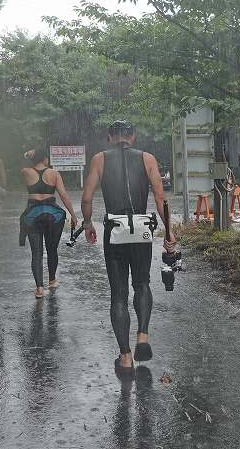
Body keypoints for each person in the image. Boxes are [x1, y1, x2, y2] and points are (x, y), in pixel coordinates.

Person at [81, 120, 176, 373]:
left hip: (115, 230)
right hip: (142, 228)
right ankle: (142, 335)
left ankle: (125, 357)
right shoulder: (147, 159)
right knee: (142, 284)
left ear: (110, 137)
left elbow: (87, 197)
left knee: (119, 294)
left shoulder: (99, 160)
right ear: (132, 137)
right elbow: (160, 197)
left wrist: (88, 223)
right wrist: (169, 231)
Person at [20, 148, 79, 298]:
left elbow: (22, 163)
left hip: (32, 214)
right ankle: (52, 280)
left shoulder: (26, 172)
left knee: (37, 253)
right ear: (45, 158)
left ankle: (39, 289)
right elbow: (64, 195)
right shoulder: (54, 173)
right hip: (53, 215)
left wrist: (27, 154)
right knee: (52, 249)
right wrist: (73, 215)